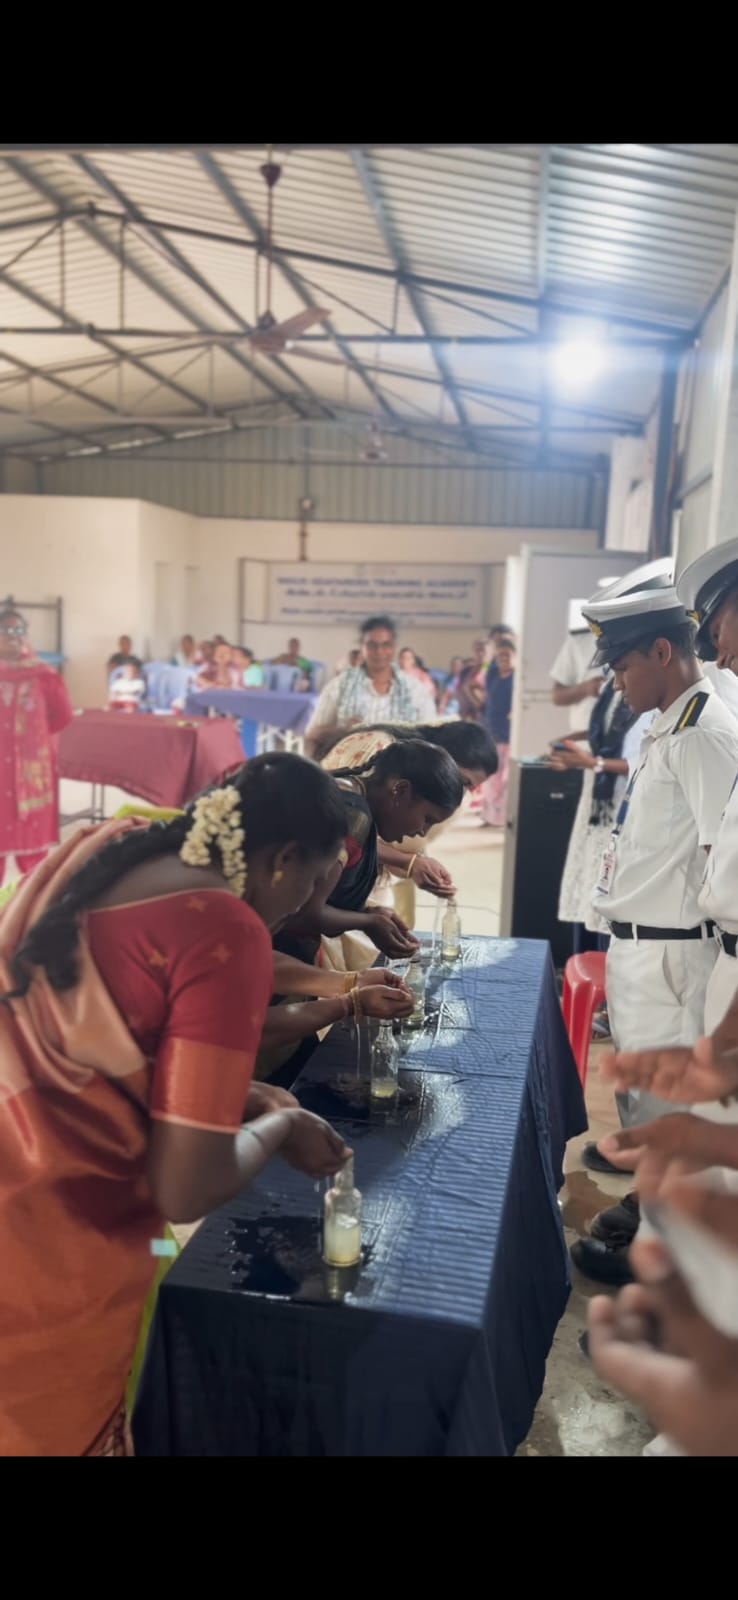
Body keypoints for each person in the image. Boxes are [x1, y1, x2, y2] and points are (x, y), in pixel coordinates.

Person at [0, 753, 363, 1456]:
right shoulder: (225, 930)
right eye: (314, 881)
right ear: (284, 860)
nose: (302, 907)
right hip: (48, 1252)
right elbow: (187, 1185)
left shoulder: (104, 847)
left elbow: (97, 1042)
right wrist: (281, 1125)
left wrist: (234, 1095)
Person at [568, 586, 738, 1288]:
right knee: (647, 1103)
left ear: (662, 652)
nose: (616, 683)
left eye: (621, 667)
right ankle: (651, 1216)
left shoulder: (703, 734)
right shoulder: (670, 726)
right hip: (642, 946)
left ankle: (668, 1272)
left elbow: (723, 858)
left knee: (676, 1112)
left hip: (675, 953)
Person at [276, 740, 464, 966]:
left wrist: (369, 911)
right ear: (400, 791)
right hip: (275, 951)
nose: (422, 831)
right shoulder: (353, 817)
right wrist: (368, 922)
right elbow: (303, 914)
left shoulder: (347, 790)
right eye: (428, 819)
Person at [321, 719, 498, 924]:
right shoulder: (356, 812)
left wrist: (414, 864)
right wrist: (408, 862)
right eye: (463, 781)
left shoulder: (385, 806)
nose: (462, 791)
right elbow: (310, 913)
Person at [0, 605, 73, 886]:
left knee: (33, 865)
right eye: (6, 629)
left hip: (30, 776)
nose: (13, 635)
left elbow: (62, 716)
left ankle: (31, 907)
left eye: (18, 629)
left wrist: (31, 738)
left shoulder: (44, 675)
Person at [305, 614, 436, 752]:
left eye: (386, 645)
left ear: (394, 647)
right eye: (372, 645)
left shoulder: (414, 690)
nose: (379, 652)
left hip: (402, 764)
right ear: (362, 647)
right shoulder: (340, 686)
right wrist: (343, 730)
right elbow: (312, 734)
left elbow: (431, 738)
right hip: (350, 763)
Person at [480, 636, 515, 828]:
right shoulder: (492, 675)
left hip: (507, 734)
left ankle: (500, 818)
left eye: (508, 655)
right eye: (500, 656)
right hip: (491, 731)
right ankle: (488, 816)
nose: (504, 659)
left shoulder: (516, 679)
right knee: (490, 776)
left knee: (503, 778)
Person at [550, 614, 604, 734]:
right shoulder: (579, 640)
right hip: (584, 737)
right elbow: (557, 696)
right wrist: (585, 689)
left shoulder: (637, 639)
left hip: (628, 739)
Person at [456, 639, 487, 722]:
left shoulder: (492, 672)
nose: (480, 653)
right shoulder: (465, 671)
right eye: (477, 650)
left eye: (483, 650)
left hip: (483, 716)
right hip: (466, 715)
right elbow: (459, 691)